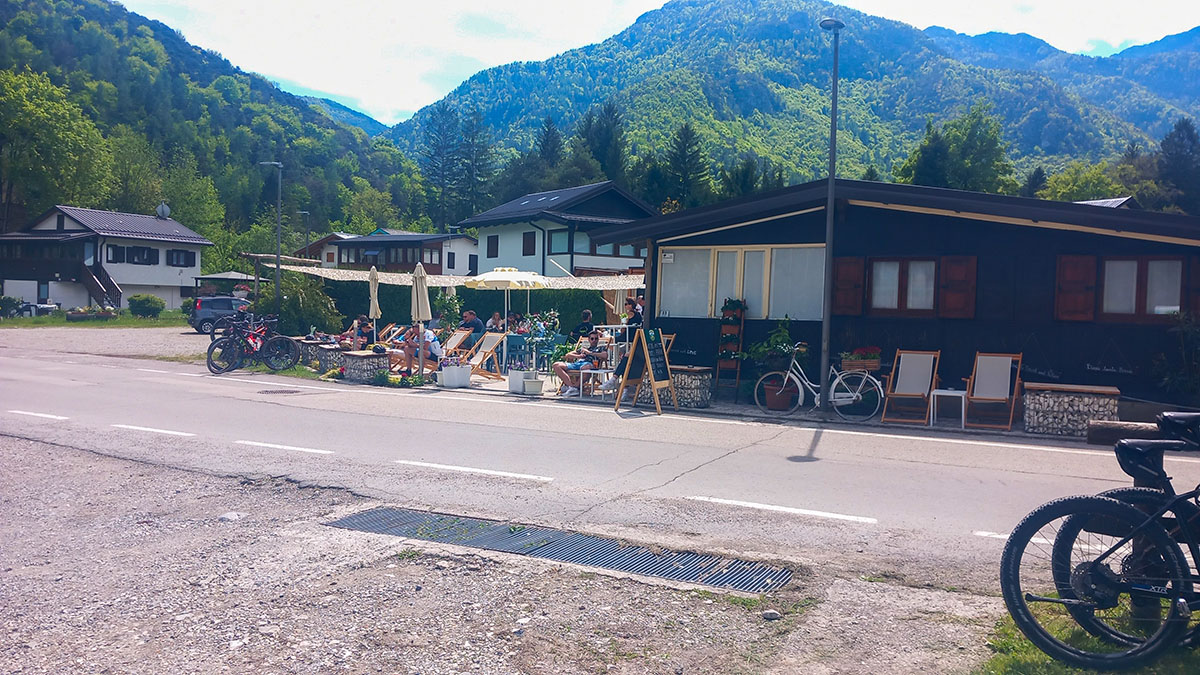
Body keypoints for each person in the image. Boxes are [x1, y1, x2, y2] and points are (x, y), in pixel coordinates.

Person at [553, 329, 609, 396]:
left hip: (589, 364)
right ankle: (572, 387)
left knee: (586, 368)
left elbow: (605, 355)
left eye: (596, 339)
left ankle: (575, 387)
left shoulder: (601, 348)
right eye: (592, 338)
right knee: (556, 365)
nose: (594, 340)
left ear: (598, 340)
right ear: (589, 340)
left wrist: (590, 353)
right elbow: (568, 355)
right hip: (578, 364)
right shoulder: (584, 349)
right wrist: (579, 356)